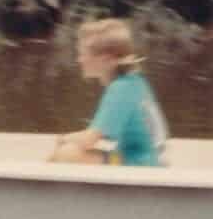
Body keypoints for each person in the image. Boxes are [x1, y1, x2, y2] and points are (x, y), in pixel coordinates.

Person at [51, 18, 168, 166]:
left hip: (141, 164)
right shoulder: (134, 81)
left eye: (83, 54)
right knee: (71, 149)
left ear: (105, 60)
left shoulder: (120, 89)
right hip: (148, 159)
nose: (79, 60)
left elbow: (89, 139)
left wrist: (63, 139)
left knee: (68, 153)